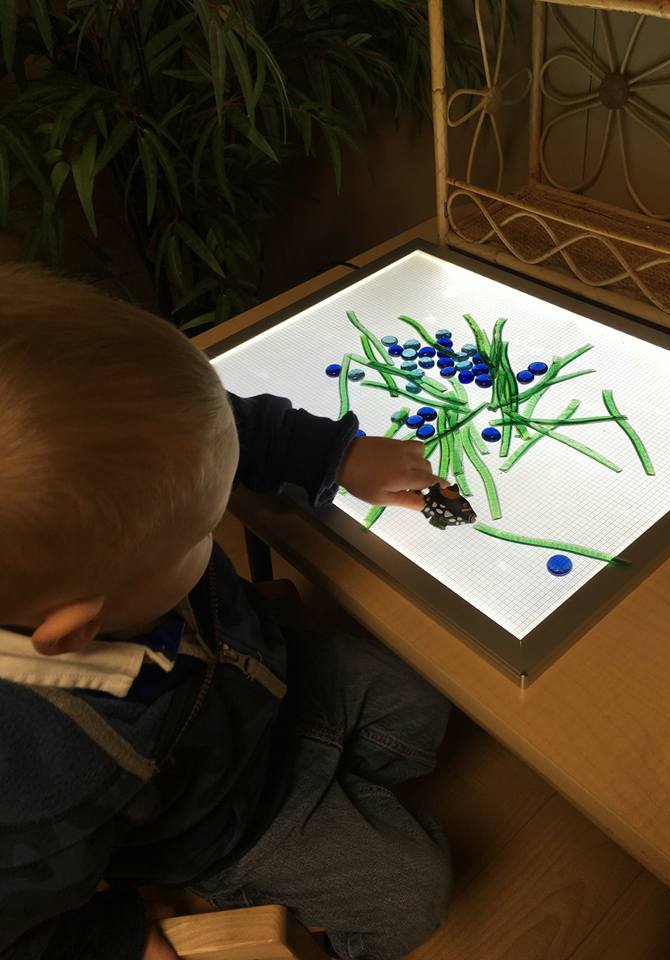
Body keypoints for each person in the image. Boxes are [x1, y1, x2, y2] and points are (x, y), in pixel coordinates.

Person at [0, 263, 453, 960]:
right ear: (77, 630)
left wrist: (339, 453)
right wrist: (117, 939)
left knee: (423, 705)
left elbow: (209, 427)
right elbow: (18, 931)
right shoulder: (36, 780)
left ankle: (340, 799)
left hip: (265, 678)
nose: (212, 535)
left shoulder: (126, 456)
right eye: (194, 537)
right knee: (411, 892)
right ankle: (281, 861)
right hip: (223, 822)